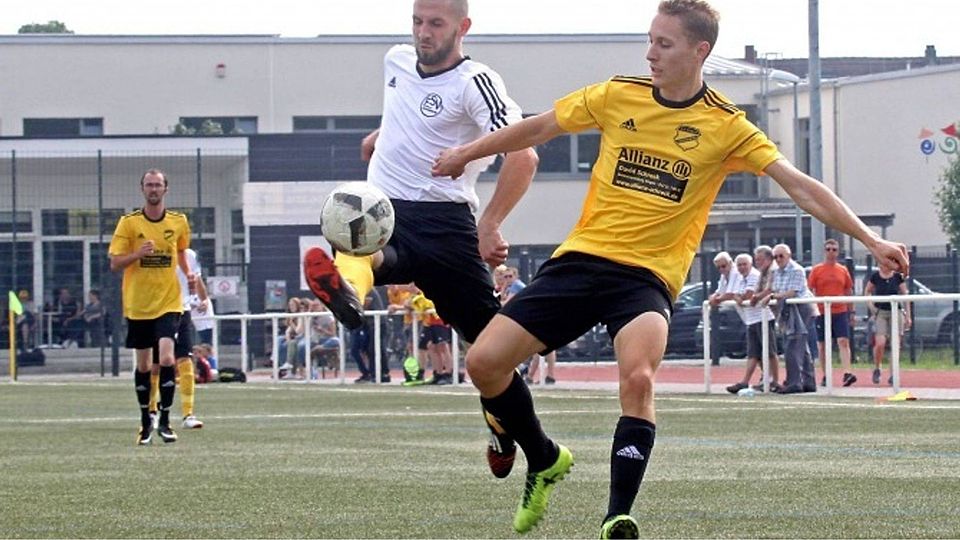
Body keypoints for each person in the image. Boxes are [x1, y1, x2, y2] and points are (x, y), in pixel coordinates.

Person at [431, 1, 908, 535]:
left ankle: (617, 515)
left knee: (638, 377)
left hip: (646, 281)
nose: (651, 53)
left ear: (699, 51)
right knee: (484, 364)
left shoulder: (727, 126)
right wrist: (467, 152)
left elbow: (798, 184)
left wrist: (868, 237)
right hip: (581, 261)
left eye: (664, 43)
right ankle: (543, 458)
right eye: (651, 40)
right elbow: (537, 128)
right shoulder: (618, 95)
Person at [302, 0, 537, 351]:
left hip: (444, 222)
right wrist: (380, 136)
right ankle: (348, 295)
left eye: (436, 24)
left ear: (463, 27)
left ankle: (504, 401)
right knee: (356, 235)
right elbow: (410, 112)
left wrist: (488, 225)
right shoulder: (396, 60)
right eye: (417, 21)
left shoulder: (475, 82)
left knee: (489, 352)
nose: (423, 33)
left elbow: (523, 156)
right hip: (387, 208)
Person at [109, 168, 194, 445]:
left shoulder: (179, 221)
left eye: (158, 185)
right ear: (142, 189)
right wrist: (137, 254)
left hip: (169, 301)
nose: (153, 189)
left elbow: (180, 250)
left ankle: (166, 421)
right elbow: (115, 264)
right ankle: (146, 419)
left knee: (168, 358)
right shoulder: (129, 223)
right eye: (149, 185)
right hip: (138, 304)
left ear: (165, 189)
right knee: (145, 365)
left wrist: (189, 274)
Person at [148, 247, 210, 430]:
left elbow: (197, 278)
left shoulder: (189, 255)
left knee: (186, 359)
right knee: (157, 363)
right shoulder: (157, 252)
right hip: (160, 311)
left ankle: (188, 414)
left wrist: (204, 299)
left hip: (183, 311)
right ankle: (152, 412)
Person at [726, 252, 781, 394]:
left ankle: (775, 381)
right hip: (751, 319)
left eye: (745, 264)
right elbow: (734, 294)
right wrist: (738, 297)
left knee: (770, 351)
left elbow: (749, 296)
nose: (742, 267)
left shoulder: (754, 275)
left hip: (763, 317)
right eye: (739, 265)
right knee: (753, 353)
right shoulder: (740, 278)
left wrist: (740, 297)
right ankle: (746, 381)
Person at [766, 244, 817, 394]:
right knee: (802, 346)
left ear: (788, 256)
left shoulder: (797, 270)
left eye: (781, 256)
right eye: (775, 257)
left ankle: (794, 382)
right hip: (788, 308)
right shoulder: (775, 272)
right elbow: (774, 289)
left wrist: (773, 297)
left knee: (792, 345)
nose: (778, 259)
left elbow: (792, 292)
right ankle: (809, 382)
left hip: (802, 307)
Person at [807, 238, 856, 386]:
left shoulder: (842, 270)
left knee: (843, 341)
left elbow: (848, 290)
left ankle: (847, 372)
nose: (831, 252)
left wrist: (851, 311)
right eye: (828, 249)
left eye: (834, 249)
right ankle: (826, 374)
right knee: (822, 344)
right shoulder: (817, 270)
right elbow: (810, 289)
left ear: (838, 251)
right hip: (822, 311)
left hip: (840, 310)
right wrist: (813, 308)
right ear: (824, 251)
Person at [865, 267, 911, 385]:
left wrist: (908, 316)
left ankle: (893, 373)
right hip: (881, 312)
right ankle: (877, 367)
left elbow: (905, 294)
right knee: (880, 342)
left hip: (896, 311)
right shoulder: (875, 276)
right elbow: (867, 291)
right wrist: (872, 307)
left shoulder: (897, 277)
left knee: (895, 343)